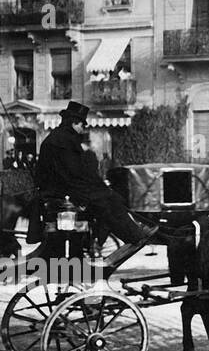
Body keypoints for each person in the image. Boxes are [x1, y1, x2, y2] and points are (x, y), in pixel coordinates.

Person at [34, 102, 158, 247]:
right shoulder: (65, 140)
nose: (82, 129)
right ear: (74, 123)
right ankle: (133, 235)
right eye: (82, 125)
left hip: (58, 188)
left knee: (108, 197)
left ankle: (118, 234)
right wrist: (97, 184)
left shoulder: (57, 137)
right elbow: (75, 172)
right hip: (64, 190)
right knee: (111, 200)